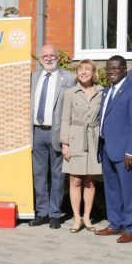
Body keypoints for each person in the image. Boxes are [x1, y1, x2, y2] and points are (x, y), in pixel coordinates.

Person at [29, 44, 76, 229]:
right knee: (39, 175)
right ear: (40, 59)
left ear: (58, 57)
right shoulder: (33, 77)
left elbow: (71, 109)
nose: (48, 59)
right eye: (45, 56)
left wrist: (68, 138)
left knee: (57, 175)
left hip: (57, 132)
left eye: (52, 55)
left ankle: (55, 214)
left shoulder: (69, 78)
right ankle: (42, 212)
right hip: (36, 132)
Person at [95, 55, 132, 243]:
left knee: (128, 190)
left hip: (124, 151)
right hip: (106, 147)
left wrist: (131, 150)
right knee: (112, 188)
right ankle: (115, 223)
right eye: (108, 68)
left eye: (116, 68)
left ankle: (131, 227)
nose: (112, 71)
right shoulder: (106, 91)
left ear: (124, 69)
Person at [59, 60, 103, 232]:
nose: (84, 72)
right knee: (75, 179)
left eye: (88, 69)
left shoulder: (101, 92)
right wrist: (65, 143)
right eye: (80, 69)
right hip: (75, 138)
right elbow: (65, 119)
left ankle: (87, 217)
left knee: (90, 181)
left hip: (94, 139)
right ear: (77, 73)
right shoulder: (70, 93)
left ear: (93, 73)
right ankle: (76, 218)